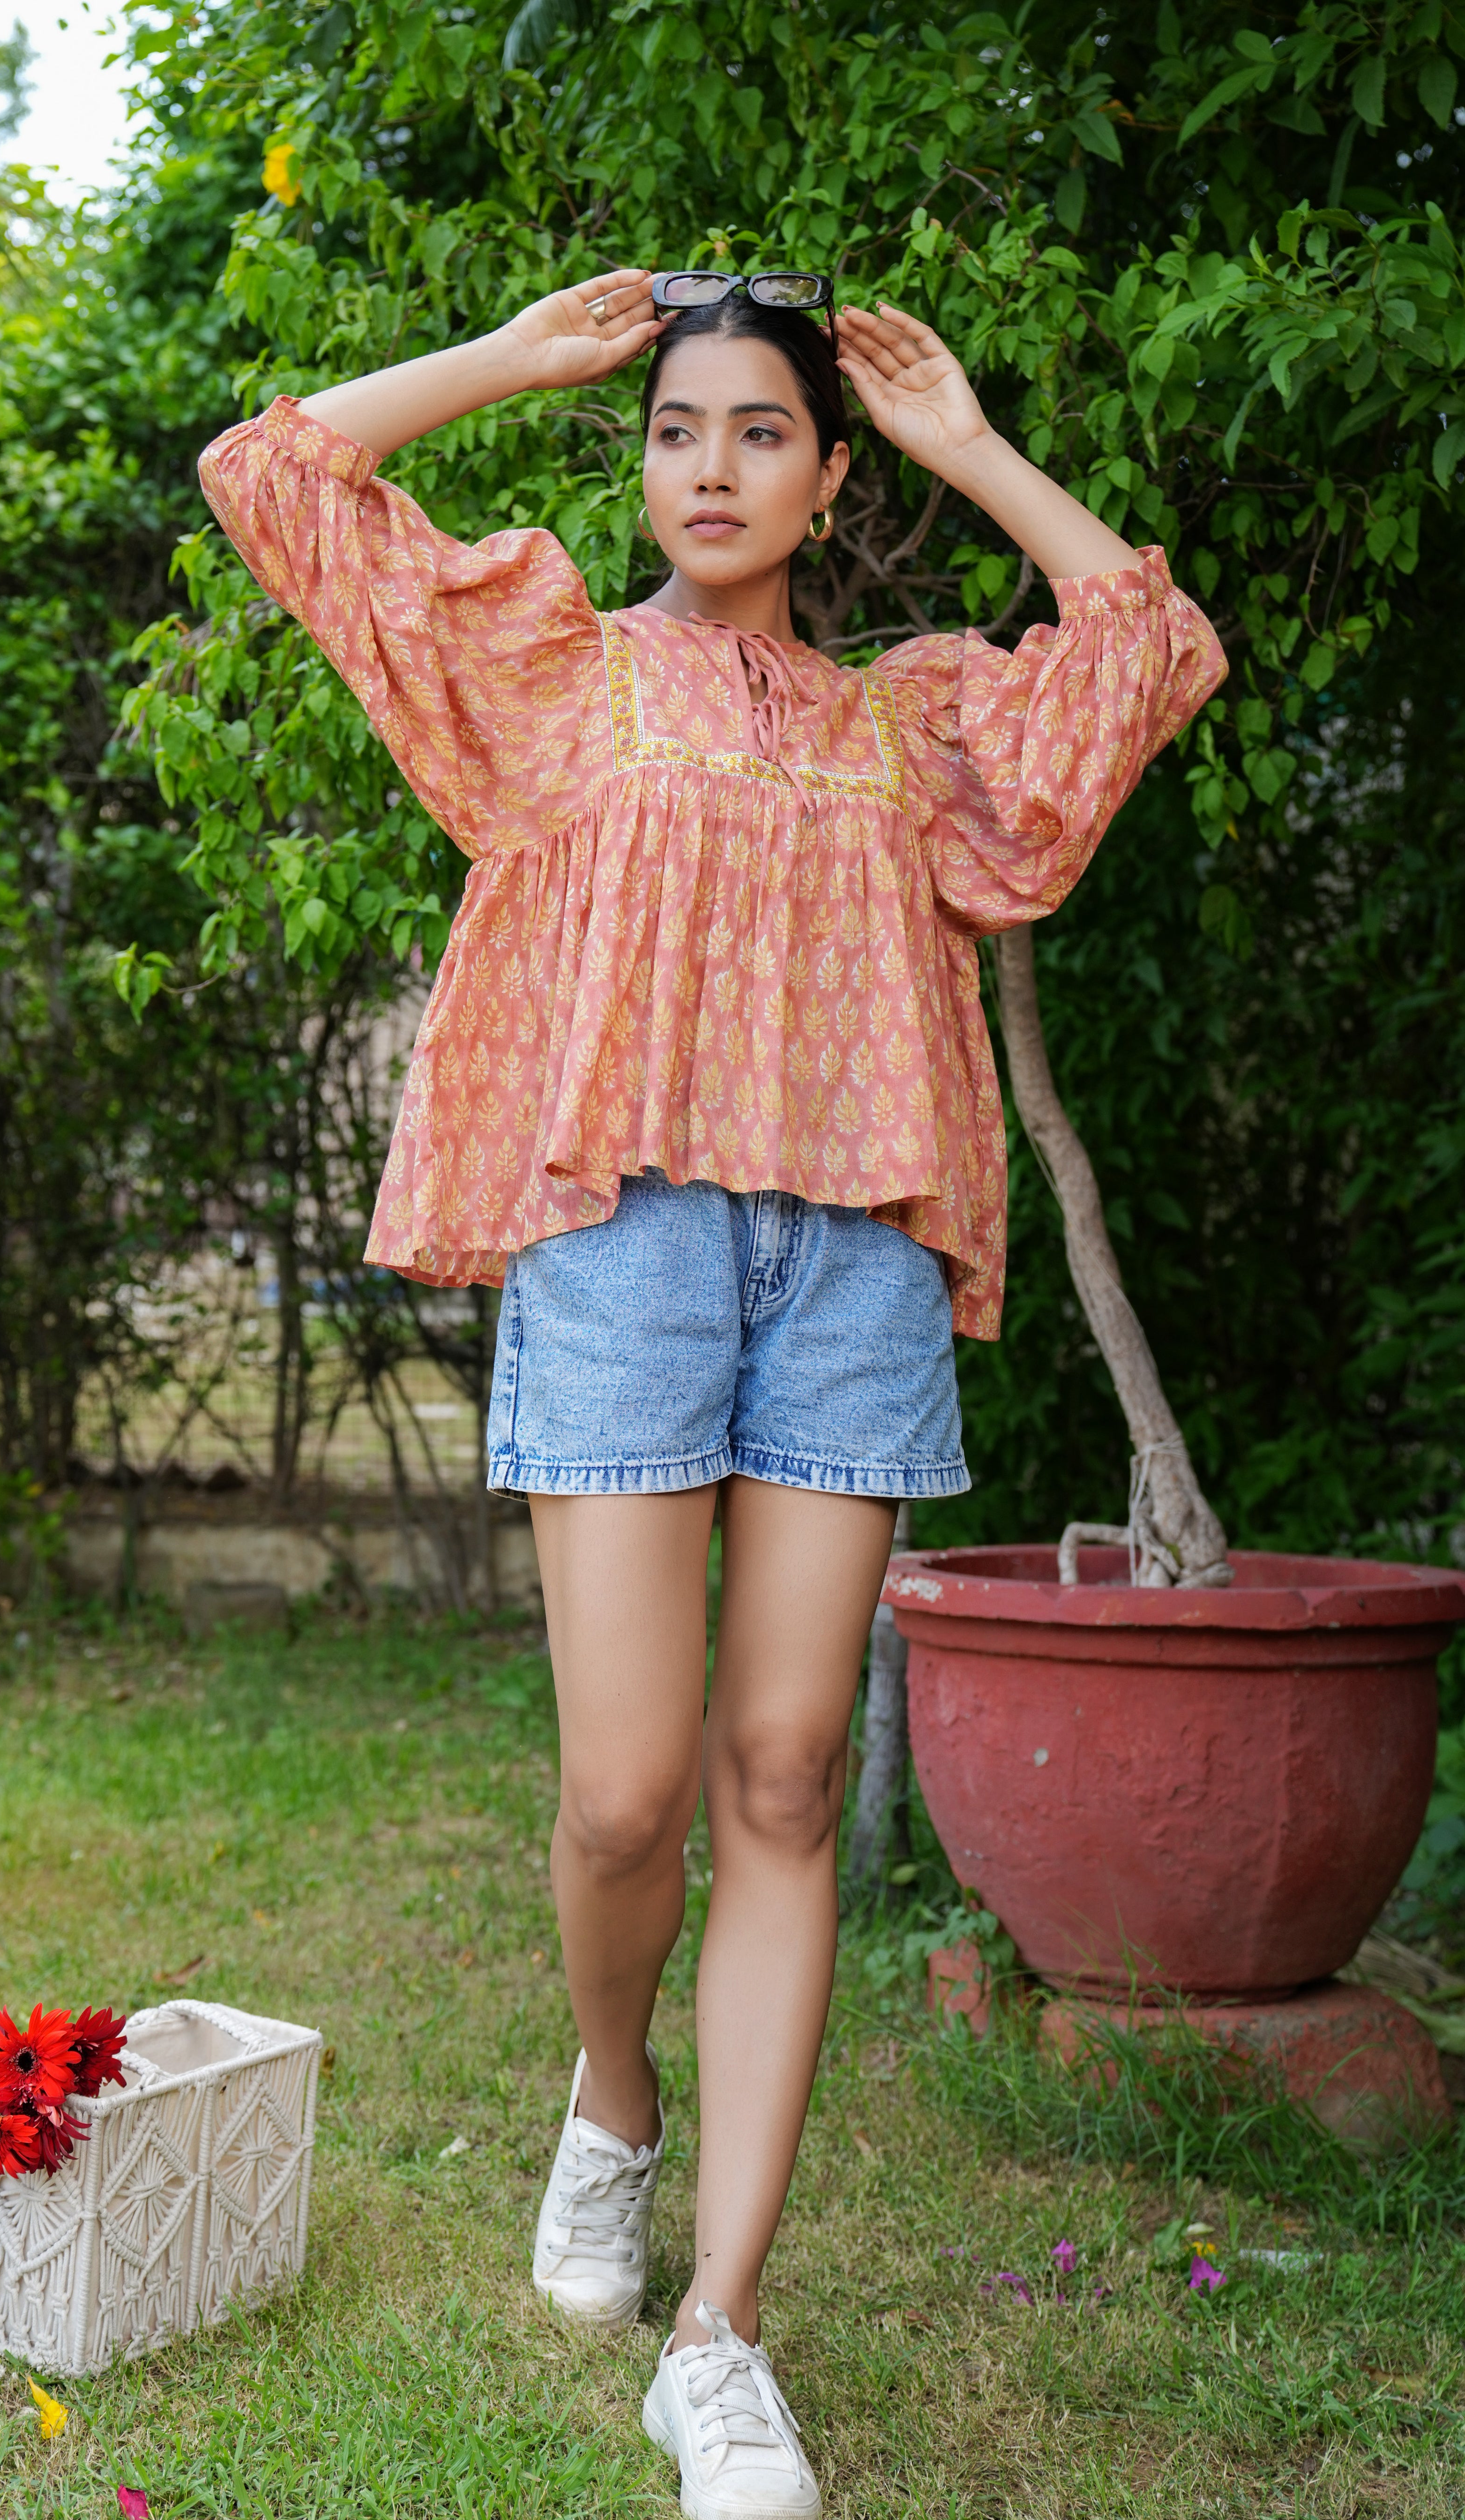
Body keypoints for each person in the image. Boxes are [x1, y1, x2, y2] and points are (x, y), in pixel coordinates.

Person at [200, 266, 1225, 2520]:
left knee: (779, 1776)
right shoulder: (557, 677)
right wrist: (515, 362)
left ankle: (718, 2331)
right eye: (681, 432)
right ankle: (612, 2098)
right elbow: (275, 478)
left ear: (826, 476)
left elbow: (1145, 649)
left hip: (852, 1265)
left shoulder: (918, 726)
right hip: (627, 1251)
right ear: (640, 460)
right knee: (624, 1797)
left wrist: (965, 438)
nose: (716, 469)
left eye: (765, 433)